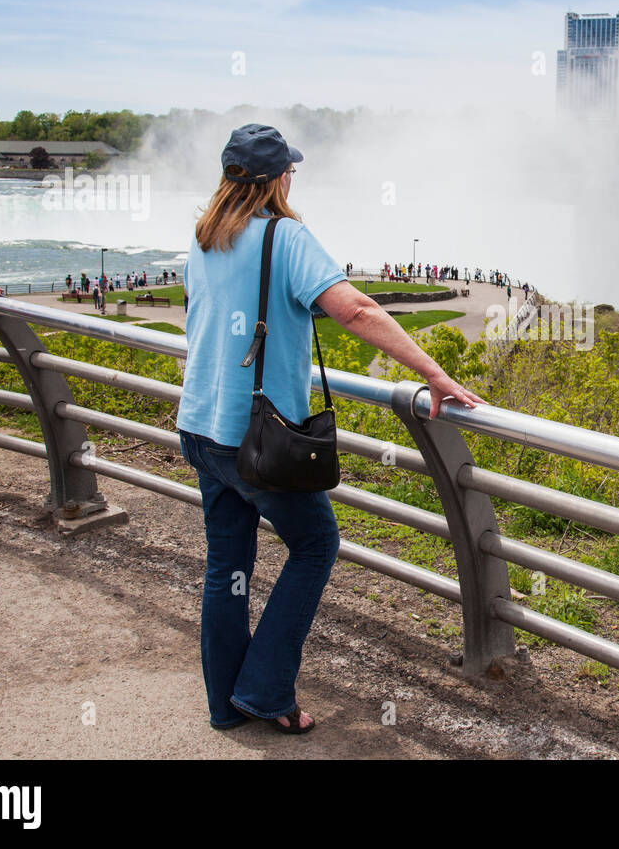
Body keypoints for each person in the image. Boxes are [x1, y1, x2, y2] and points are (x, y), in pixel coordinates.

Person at [176, 123, 483, 735]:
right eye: (290, 170)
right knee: (315, 545)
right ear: (276, 180)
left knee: (227, 567)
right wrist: (433, 374)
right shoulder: (284, 236)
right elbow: (358, 308)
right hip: (255, 442)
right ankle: (264, 691)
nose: (294, 178)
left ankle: (226, 704)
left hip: (200, 431)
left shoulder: (206, 239)